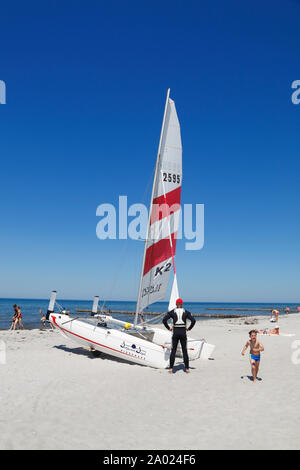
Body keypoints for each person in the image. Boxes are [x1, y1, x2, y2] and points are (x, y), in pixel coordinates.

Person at [163, 298, 196, 374]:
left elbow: (164, 320)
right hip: (183, 333)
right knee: (184, 350)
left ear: (176, 304)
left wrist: (169, 328)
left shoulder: (172, 312)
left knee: (173, 350)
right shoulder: (186, 312)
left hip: (175, 332)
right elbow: (193, 321)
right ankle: (187, 369)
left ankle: (171, 369)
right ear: (182, 304)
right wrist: (189, 328)